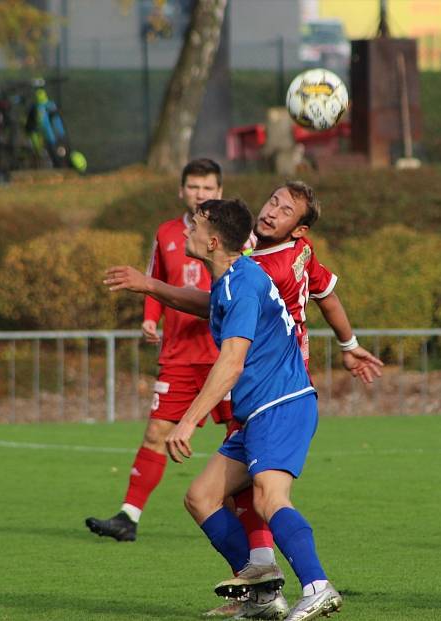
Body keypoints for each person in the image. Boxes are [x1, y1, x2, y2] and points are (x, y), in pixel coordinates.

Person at [106, 182, 383, 619]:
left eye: (194, 229)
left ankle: (318, 585)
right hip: (257, 410)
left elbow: (231, 363)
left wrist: (188, 420)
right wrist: (150, 286)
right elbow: (209, 304)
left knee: (269, 499)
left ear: (213, 242)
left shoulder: (246, 281)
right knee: (200, 497)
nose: (186, 235)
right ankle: (262, 595)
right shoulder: (234, 277)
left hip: (282, 403)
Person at [86, 158, 230, 542]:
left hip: (227, 355)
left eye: (208, 188)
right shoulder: (167, 233)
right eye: (194, 187)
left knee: (244, 435)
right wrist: (150, 318)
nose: (201, 194)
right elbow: (156, 282)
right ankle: (128, 517)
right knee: (156, 433)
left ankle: (256, 520)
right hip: (180, 355)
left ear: (220, 191)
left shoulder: (236, 237)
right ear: (181, 190)